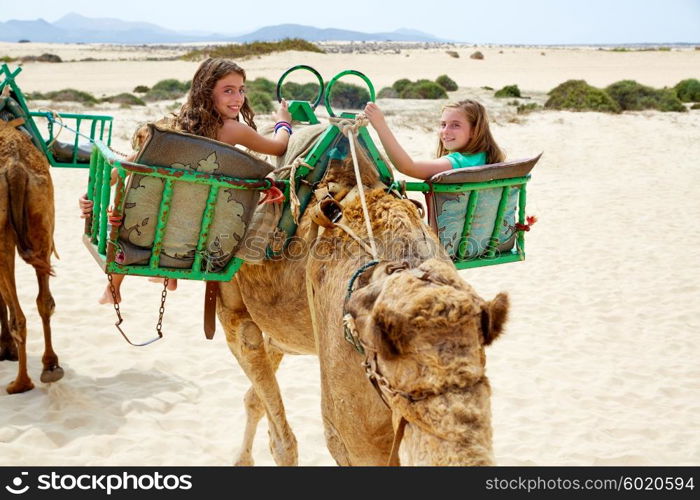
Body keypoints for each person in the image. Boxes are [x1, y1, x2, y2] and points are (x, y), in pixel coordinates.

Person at [80, 57, 292, 304]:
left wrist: (93, 195)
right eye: (228, 91)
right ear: (207, 92)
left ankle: (115, 287)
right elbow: (278, 147)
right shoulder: (233, 129)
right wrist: (283, 122)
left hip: (160, 224)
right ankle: (168, 276)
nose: (238, 98)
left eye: (241, 90)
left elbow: (130, 161)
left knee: (157, 202)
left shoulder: (178, 127)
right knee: (195, 203)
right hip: (198, 230)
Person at [363, 99, 504, 180]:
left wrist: (380, 125)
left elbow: (407, 167)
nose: (445, 131)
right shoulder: (485, 158)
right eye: (443, 124)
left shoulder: (458, 163)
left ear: (474, 130)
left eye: (455, 125)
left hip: (452, 232)